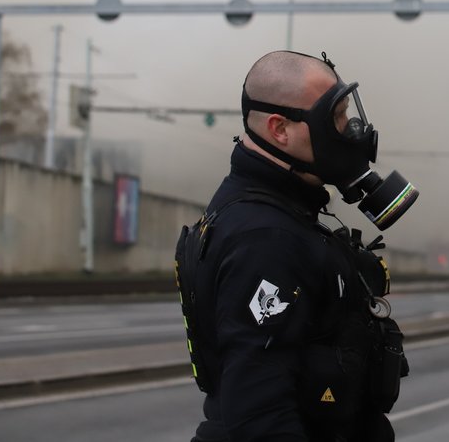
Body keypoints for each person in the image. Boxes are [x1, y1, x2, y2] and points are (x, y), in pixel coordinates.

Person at [175, 50, 417, 442]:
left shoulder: (279, 215)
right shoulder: (265, 236)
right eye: (333, 120)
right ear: (280, 130)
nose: (350, 131)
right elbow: (259, 416)